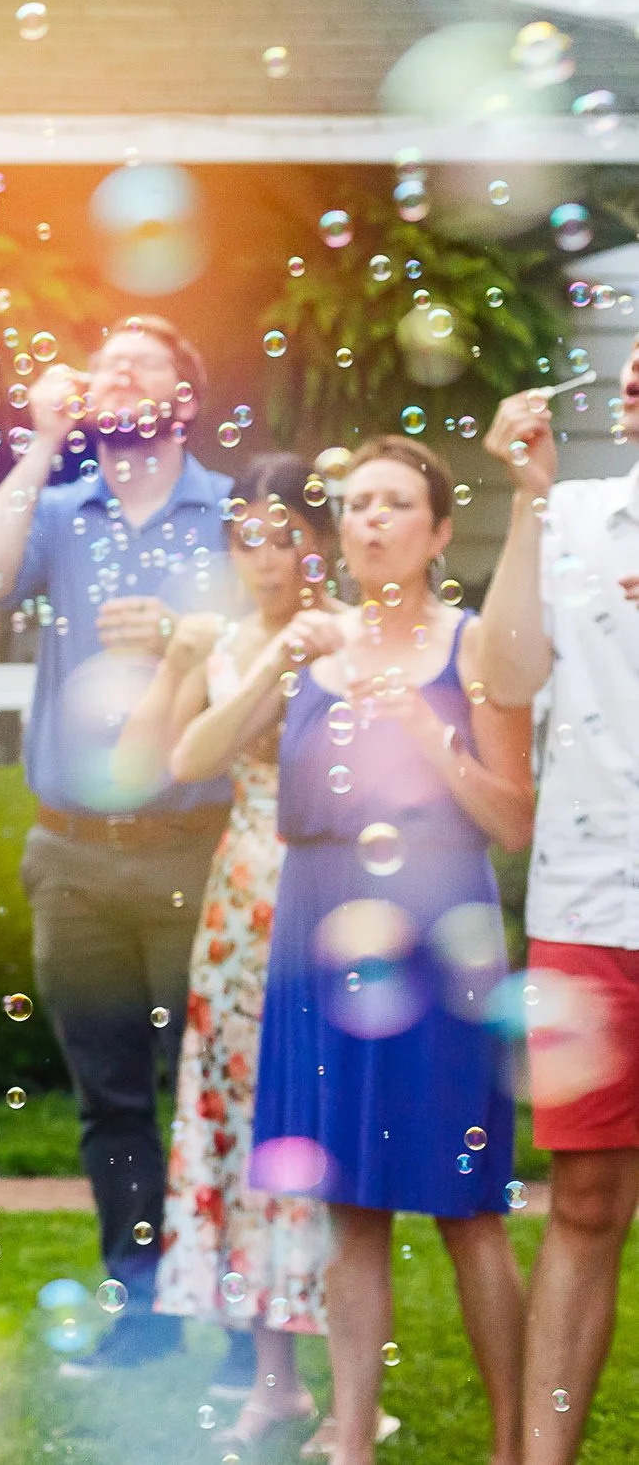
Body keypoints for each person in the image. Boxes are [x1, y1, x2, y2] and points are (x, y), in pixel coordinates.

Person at [0, 316, 237, 1374]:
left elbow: (267, 658)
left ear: (185, 398)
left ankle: (248, 1330)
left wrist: (185, 644)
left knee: (213, 1092)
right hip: (70, 853)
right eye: (101, 360)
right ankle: (143, 1312)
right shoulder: (62, 511)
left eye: (141, 361)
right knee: (111, 1100)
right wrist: (35, 443)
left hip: (193, 845)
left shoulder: (229, 513)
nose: (113, 370)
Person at [246, 435, 534, 1464]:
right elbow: (287, 812)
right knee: (348, 1210)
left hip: (438, 936)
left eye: (395, 502)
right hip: (320, 929)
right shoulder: (309, 651)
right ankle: (352, 1438)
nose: (369, 518)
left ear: (439, 530)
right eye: (356, 502)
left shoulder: (473, 649)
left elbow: (510, 820)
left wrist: (421, 724)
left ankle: (512, 1447)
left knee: (467, 1209)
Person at [116, 453, 334, 1445]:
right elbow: (188, 758)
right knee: (244, 1126)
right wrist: (275, 661)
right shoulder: (232, 641)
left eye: (283, 530)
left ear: (316, 542)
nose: (263, 551)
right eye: (245, 532)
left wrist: (309, 651)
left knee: (332, 1127)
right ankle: (275, 1376)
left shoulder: (350, 638)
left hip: (338, 890)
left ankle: (352, 1381)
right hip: (246, 898)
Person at [479, 349, 639, 1465]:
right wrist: (530, 499)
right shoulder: (575, 513)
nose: (633, 375)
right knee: (583, 1197)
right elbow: (506, 671)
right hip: (590, 900)